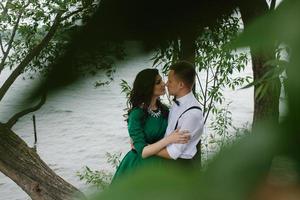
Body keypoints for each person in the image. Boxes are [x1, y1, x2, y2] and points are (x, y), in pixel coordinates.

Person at [112, 68, 190, 182]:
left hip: (163, 162)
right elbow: (143, 152)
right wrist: (168, 140)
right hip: (140, 167)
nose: (164, 84)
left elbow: (175, 133)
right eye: (158, 82)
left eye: (162, 81)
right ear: (148, 87)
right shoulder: (136, 114)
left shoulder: (164, 110)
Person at [155, 61, 204, 166]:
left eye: (170, 81)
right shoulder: (179, 103)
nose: (166, 84)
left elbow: (173, 153)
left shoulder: (192, 114)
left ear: (181, 85)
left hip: (179, 167)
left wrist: (146, 148)